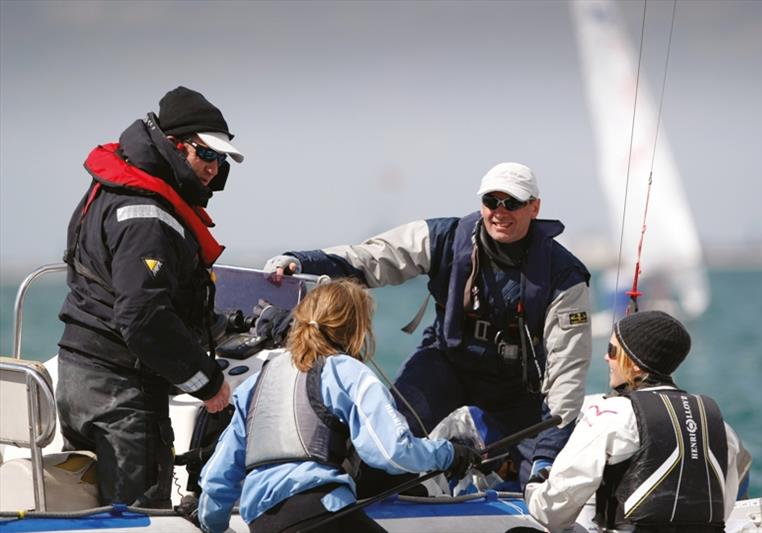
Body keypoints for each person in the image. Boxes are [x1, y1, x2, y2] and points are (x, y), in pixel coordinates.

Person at [263, 162, 592, 485]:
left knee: (545, 480)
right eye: (492, 201)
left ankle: (503, 469)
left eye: (513, 203)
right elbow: (373, 257)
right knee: (382, 451)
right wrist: (302, 261)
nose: (500, 211)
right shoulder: (447, 238)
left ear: (534, 207)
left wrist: (547, 457)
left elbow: (568, 372)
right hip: (446, 365)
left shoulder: (565, 276)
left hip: (517, 389)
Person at [56, 86, 244, 507]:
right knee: (141, 518)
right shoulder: (148, 215)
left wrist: (215, 325)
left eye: (222, 160)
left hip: (76, 376)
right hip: (121, 393)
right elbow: (143, 318)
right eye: (206, 155)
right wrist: (207, 383)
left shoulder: (114, 187)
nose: (214, 168)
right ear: (177, 148)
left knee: (95, 513)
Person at [197, 279, 480, 533]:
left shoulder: (255, 384)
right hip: (321, 512)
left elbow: (215, 478)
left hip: (263, 524)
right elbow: (392, 452)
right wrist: (449, 455)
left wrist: (212, 525)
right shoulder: (346, 372)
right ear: (356, 330)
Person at [525, 310, 747, 532]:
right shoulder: (721, 426)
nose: (606, 357)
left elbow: (552, 512)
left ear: (635, 364)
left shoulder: (612, 414)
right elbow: (723, 510)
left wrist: (534, 488)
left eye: (612, 351)